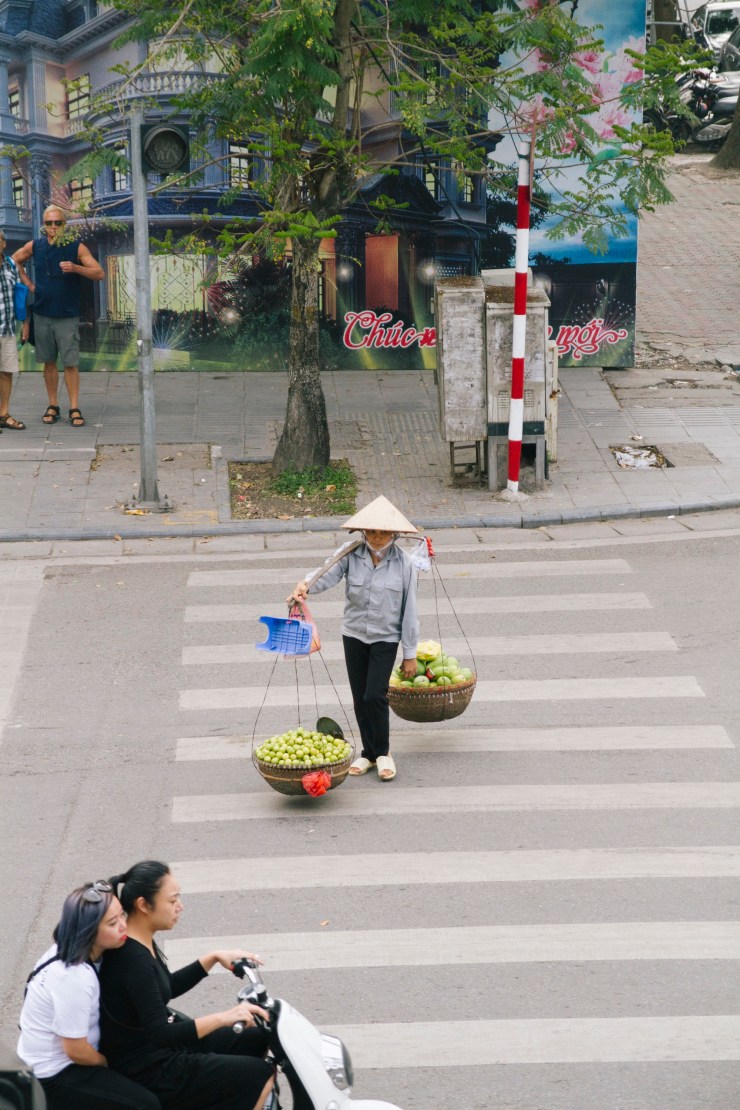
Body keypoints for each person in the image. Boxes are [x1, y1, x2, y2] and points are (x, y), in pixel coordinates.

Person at [99, 860, 274, 1110]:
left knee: (255, 1037)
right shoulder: (133, 961)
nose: (179, 907)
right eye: (172, 901)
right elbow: (160, 1034)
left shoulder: (141, 942)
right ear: (143, 905)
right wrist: (225, 1017)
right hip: (151, 1068)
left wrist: (212, 958)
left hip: (159, 1050)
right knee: (258, 1074)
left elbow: (165, 987)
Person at [290, 494, 420, 781]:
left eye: (383, 532)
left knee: (375, 695)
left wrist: (410, 654)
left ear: (394, 534)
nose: (376, 537)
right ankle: (368, 754)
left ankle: (383, 752)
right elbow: (325, 574)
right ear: (363, 532)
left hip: (386, 638)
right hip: (354, 635)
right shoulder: (350, 554)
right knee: (360, 697)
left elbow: (410, 610)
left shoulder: (404, 564)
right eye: (371, 531)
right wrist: (304, 587)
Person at [18, 880, 161, 1109]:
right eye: (113, 923)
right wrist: (106, 1063)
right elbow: (76, 1051)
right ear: (90, 930)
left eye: (122, 915)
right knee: (145, 1104)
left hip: (62, 1059)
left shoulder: (77, 949)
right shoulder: (73, 977)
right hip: (54, 1074)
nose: (123, 925)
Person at [12, 204, 103, 428]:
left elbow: (99, 272)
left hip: (67, 315)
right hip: (42, 314)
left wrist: (76, 268)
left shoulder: (76, 247)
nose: (53, 227)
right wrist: (26, 281)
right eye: (49, 223)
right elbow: (13, 260)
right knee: (49, 364)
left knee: (71, 364)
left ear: (64, 224)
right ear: (44, 225)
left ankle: (74, 407)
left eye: (57, 222)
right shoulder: (36, 245)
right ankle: (53, 405)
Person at [0, 229, 29, 431]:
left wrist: (25, 323)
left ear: (3, 243)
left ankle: (4, 414)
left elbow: (20, 295)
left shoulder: (11, 264)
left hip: (8, 328)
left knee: (6, 372)